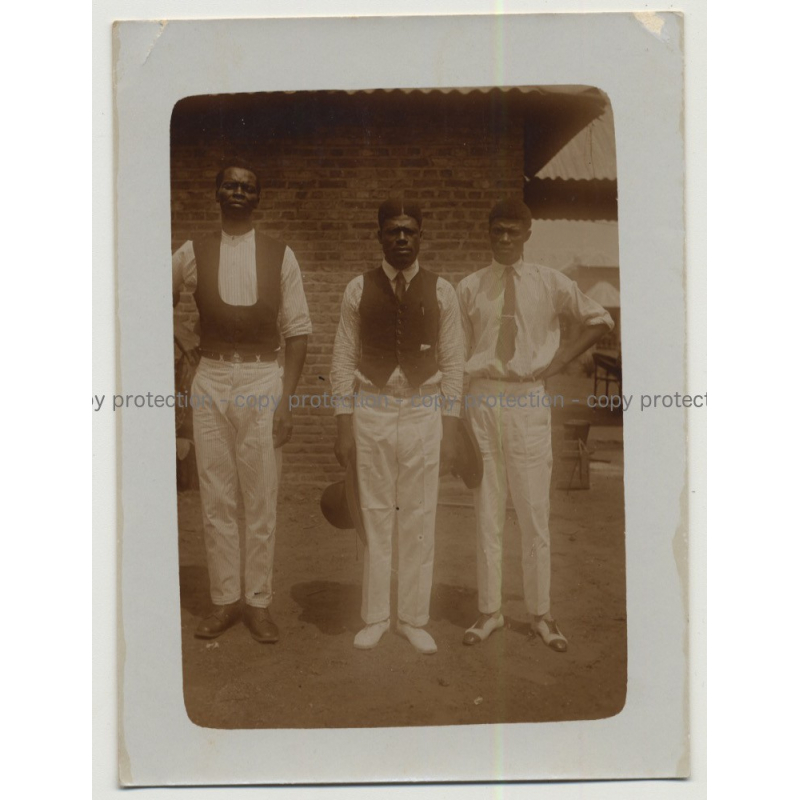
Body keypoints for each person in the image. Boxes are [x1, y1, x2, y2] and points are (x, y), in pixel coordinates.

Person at [456, 198, 614, 652]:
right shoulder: (469, 288)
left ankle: (542, 614)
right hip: (482, 397)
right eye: (496, 231)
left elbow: (598, 319)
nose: (504, 239)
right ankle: (490, 612)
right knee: (487, 510)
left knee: (532, 513)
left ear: (527, 235)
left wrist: (560, 360)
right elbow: (459, 352)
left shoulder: (550, 282)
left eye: (512, 231)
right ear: (488, 234)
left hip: (527, 399)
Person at [172, 159, 311, 643]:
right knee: (216, 495)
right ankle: (224, 600)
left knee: (260, 496)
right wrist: (178, 331)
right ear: (217, 194)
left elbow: (297, 333)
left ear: (258, 197)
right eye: (229, 184)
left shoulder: (280, 254)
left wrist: (286, 401)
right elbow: (151, 296)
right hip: (210, 377)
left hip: (260, 380)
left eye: (247, 186)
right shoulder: (192, 251)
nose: (237, 192)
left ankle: (258, 603)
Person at [330, 199, 463, 655]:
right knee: (375, 511)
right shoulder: (357, 289)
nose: (401, 238)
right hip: (373, 409)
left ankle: (411, 618)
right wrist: (343, 422)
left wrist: (451, 425)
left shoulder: (443, 291)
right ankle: (376, 617)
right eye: (392, 231)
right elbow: (343, 358)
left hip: (425, 410)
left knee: (420, 513)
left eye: (409, 230)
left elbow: (455, 363)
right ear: (380, 236)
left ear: (421, 235)